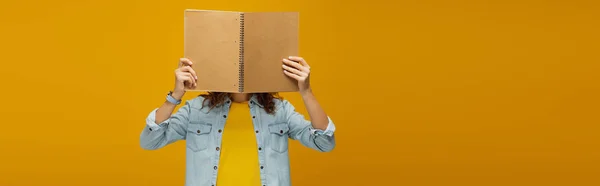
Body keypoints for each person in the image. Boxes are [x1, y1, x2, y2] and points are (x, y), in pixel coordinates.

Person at [139, 56, 336, 186]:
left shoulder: (280, 110)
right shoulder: (197, 109)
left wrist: (306, 92)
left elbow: (324, 142)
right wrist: (175, 95)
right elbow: (150, 141)